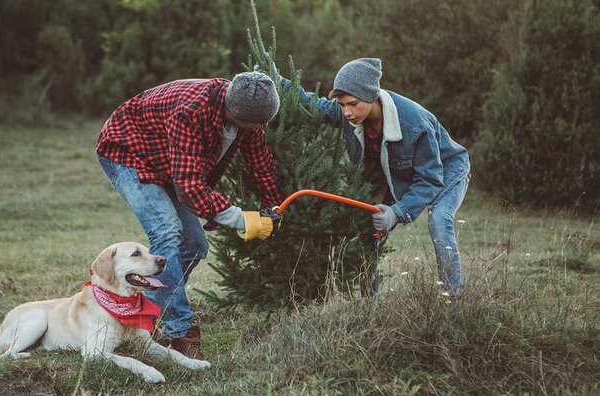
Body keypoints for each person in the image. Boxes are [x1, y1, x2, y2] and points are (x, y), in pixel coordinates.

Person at [95, 71, 284, 360]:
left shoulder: (250, 118)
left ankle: (149, 310)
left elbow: (260, 164)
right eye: (257, 123)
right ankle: (177, 330)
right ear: (235, 111)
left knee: (195, 245)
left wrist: (273, 209)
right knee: (167, 231)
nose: (261, 127)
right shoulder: (192, 111)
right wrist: (238, 217)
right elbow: (189, 186)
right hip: (127, 150)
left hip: (166, 162)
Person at [274, 58, 470, 297]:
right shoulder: (348, 112)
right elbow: (313, 104)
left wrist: (398, 212)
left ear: (371, 96)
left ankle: (453, 296)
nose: (346, 112)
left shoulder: (414, 124)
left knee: (439, 220)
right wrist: (278, 81)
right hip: (394, 170)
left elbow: (429, 180)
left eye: (353, 104)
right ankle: (370, 300)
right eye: (342, 104)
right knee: (369, 223)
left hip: (448, 169)